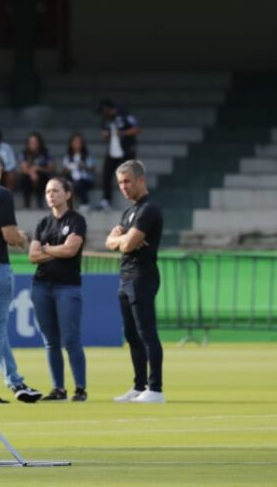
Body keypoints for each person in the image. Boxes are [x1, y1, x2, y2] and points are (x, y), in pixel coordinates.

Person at [0, 150, 42, 404]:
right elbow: (8, 235)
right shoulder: (1, 194)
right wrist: (22, 239)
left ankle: (15, 381)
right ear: (0, 171)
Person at [105, 160, 165, 404]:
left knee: (146, 332)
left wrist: (123, 240)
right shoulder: (129, 212)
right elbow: (110, 242)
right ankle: (139, 386)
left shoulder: (149, 209)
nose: (123, 187)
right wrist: (121, 240)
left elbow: (127, 244)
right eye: (120, 183)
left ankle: (156, 389)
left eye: (127, 181)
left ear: (141, 180)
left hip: (142, 276)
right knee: (131, 334)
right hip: (126, 276)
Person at [28, 176, 88, 402]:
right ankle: (58, 389)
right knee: (50, 341)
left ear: (67, 194)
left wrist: (47, 248)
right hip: (42, 285)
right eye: (47, 191)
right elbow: (33, 256)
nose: (50, 195)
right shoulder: (42, 223)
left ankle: (80, 388)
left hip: (67, 286)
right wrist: (57, 249)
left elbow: (71, 251)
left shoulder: (76, 221)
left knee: (71, 339)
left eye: (55, 190)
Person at [98, 98, 140, 210]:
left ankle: (135, 198)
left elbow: (137, 129)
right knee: (107, 174)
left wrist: (122, 133)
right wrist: (105, 136)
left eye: (104, 110)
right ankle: (106, 200)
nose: (103, 113)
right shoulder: (106, 120)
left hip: (126, 150)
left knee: (130, 174)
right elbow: (106, 136)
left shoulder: (125, 115)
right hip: (112, 151)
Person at [62, 133, 95, 211]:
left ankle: (85, 203)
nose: (77, 144)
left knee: (79, 183)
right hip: (72, 179)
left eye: (79, 142)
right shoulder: (68, 156)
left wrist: (83, 166)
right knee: (68, 184)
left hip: (85, 179)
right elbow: (64, 170)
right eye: (75, 142)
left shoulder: (87, 156)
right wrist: (69, 167)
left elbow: (92, 169)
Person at [18, 132, 51, 210]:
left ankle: (40, 202)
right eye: (31, 142)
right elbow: (23, 168)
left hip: (42, 174)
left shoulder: (45, 153)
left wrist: (38, 168)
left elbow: (50, 168)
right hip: (28, 175)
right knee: (24, 178)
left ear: (39, 143)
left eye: (35, 142)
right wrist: (32, 173)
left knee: (42, 177)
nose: (33, 144)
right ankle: (27, 203)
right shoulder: (24, 153)